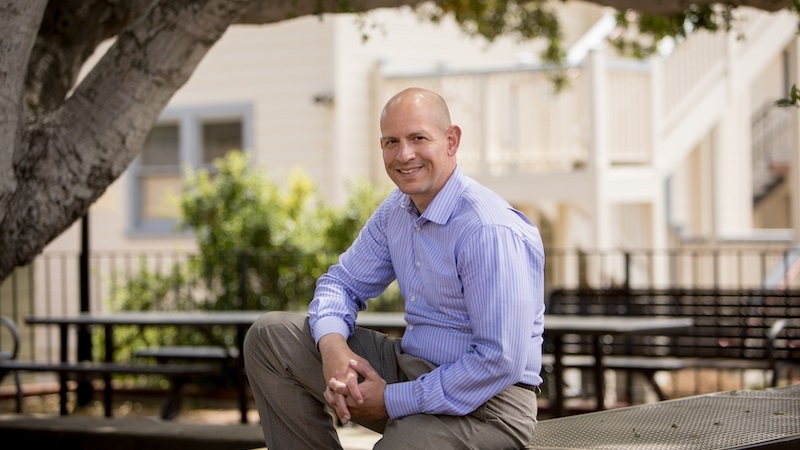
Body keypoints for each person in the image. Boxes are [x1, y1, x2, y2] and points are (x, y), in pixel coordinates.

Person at [244, 87, 545, 449]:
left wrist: (390, 399)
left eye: (419, 138)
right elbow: (341, 283)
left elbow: (499, 361)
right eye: (391, 142)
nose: (404, 155)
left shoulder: (488, 229)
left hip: (490, 406)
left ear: (451, 141)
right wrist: (333, 347)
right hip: (409, 367)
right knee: (271, 337)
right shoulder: (397, 210)